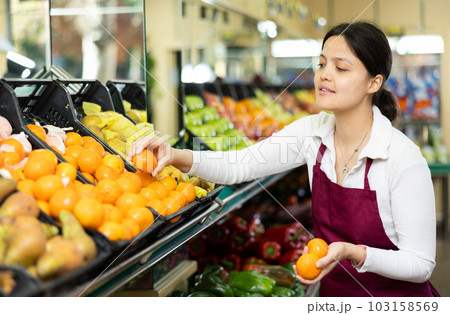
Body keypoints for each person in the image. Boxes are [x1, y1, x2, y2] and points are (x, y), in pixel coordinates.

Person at [129, 22, 439, 297]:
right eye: (321, 64)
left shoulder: (402, 158)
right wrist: (174, 155)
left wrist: (353, 253)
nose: (324, 75)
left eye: (341, 68)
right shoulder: (311, 133)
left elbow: (421, 264)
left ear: (374, 83)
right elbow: (241, 164)